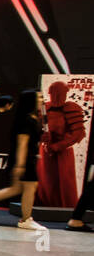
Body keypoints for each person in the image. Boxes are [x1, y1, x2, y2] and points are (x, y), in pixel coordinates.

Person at [0, 89, 47, 230]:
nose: (42, 100)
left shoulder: (29, 118)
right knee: (30, 187)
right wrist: (20, 164)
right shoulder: (27, 120)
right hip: (25, 160)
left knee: (16, 188)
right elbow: (22, 142)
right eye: (40, 97)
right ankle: (26, 219)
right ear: (31, 100)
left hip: (24, 158)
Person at [37, 80, 87, 208]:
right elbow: (37, 129)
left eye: (59, 93)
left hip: (63, 152)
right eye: (53, 93)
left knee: (64, 183)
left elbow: (78, 134)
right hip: (45, 151)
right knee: (46, 181)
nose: (56, 97)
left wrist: (57, 146)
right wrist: (42, 136)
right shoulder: (45, 108)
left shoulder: (71, 108)